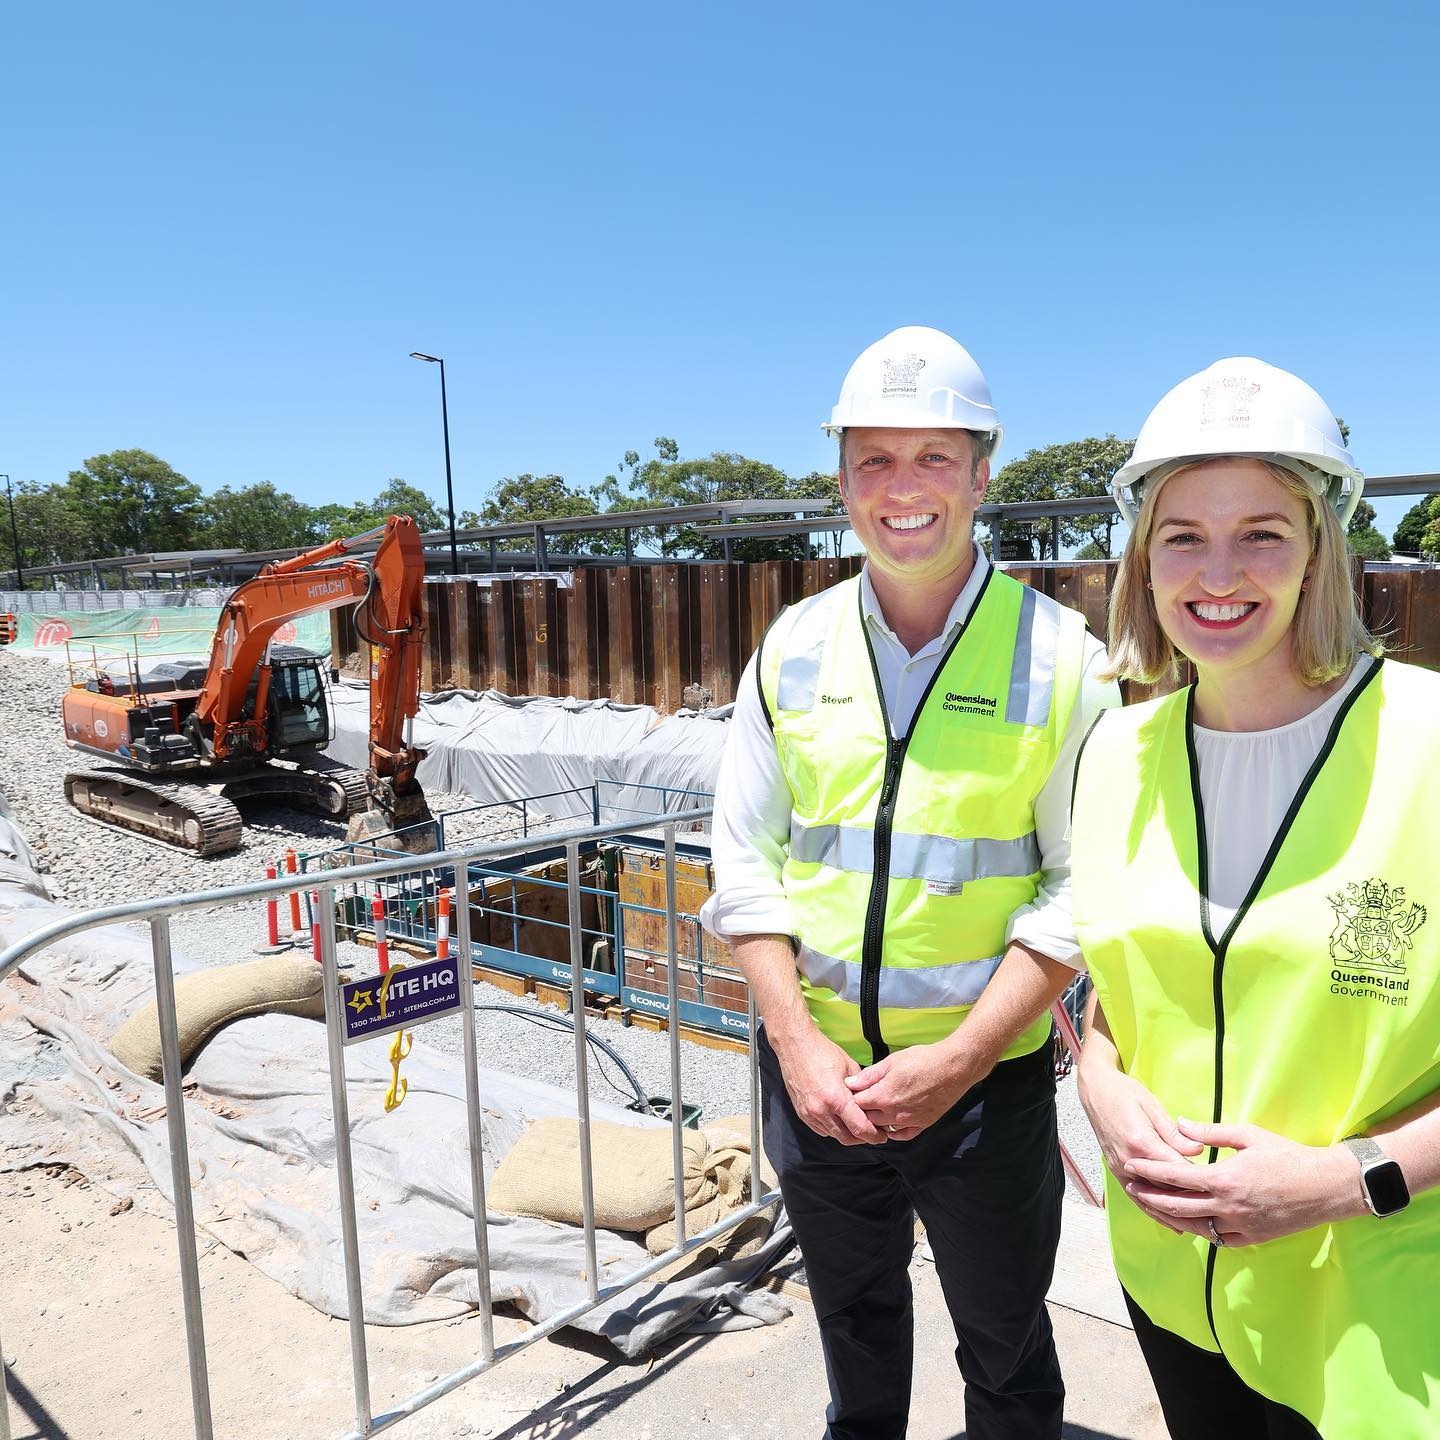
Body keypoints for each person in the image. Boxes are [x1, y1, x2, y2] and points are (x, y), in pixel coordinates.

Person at [701, 325, 1119, 1439]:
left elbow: (1080, 887)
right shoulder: (792, 648)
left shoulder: (1062, 659)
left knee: (1006, 1343)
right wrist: (797, 1045)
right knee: (854, 1326)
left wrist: (962, 1058)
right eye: (874, 460)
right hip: (820, 1081)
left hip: (984, 1094)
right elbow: (744, 861)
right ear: (841, 480)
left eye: (934, 457)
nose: (902, 488)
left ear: (982, 473)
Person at [1071, 357, 1440, 1439]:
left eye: (1262, 534)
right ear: (1144, 559)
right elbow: (1121, 992)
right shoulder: (1116, 753)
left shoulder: (1430, 742)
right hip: (1172, 1285)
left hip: (1373, 1311)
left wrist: (1346, 1180)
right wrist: (1097, 1081)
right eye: (1183, 535)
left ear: (1320, 548)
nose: (1218, 572)